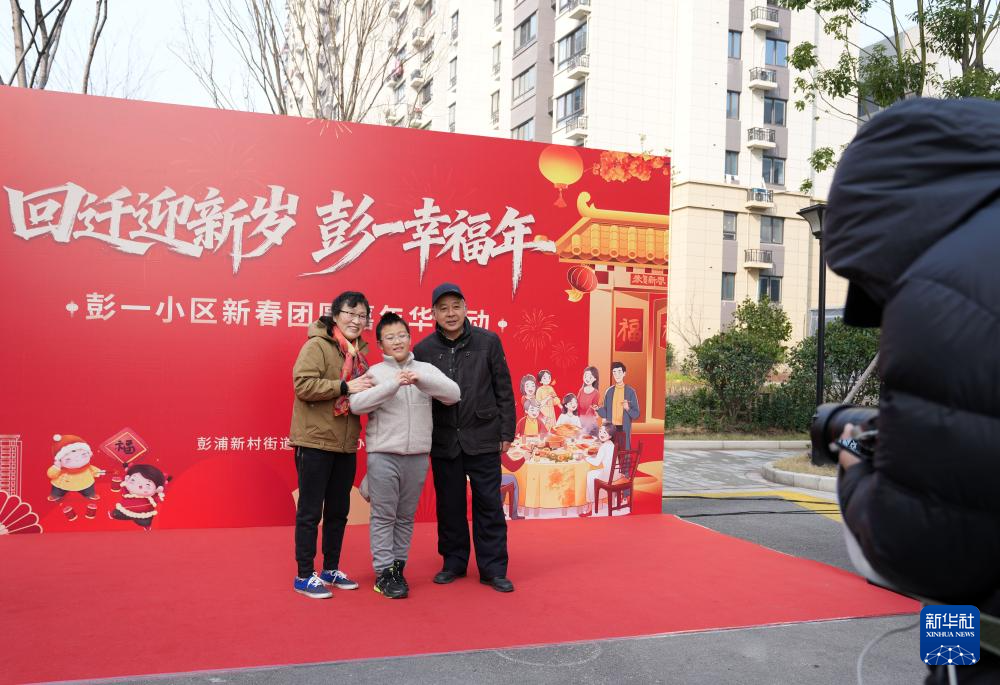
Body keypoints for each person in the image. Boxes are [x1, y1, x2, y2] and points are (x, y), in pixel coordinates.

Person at [823, 97, 1000, 684]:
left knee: (953, 629)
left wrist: (855, 473)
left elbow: (923, 553)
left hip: (986, 637)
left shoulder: (943, 291)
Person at [413, 282, 517, 593]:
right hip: (444, 439)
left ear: (466, 308)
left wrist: (506, 432)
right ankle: (454, 562)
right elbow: (419, 400)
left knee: (489, 504)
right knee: (450, 505)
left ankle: (493, 568)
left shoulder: (488, 342)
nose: (451, 313)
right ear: (433, 313)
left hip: (483, 435)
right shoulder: (423, 350)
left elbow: (503, 388)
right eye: (443, 308)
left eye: (456, 307)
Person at [348, 312, 460, 599]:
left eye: (401, 335)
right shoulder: (374, 373)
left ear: (410, 339)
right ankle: (384, 573)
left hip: (418, 455)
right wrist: (392, 385)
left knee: (405, 516)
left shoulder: (425, 369)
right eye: (390, 337)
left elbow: (453, 394)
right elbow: (356, 405)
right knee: (384, 516)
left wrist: (421, 380)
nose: (397, 341)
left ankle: (398, 568)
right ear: (380, 344)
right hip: (383, 454)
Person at [288, 291, 374, 599]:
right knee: (310, 512)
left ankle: (330, 569)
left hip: (346, 444)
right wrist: (344, 386)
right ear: (335, 315)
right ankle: (303, 575)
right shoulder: (317, 345)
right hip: (314, 441)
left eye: (362, 315)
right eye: (350, 313)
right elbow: (302, 385)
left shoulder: (358, 353)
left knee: (339, 512)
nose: (356, 320)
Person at [597, 361, 640, 450]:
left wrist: (627, 408)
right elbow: (605, 413)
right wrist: (598, 409)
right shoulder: (609, 391)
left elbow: (636, 414)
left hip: (623, 429)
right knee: (610, 453)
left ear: (624, 373)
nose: (617, 375)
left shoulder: (630, 392)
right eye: (614, 372)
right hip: (610, 429)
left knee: (623, 453)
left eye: (619, 372)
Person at [580, 422, 616, 517]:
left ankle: (590, 507)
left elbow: (596, 463)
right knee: (592, 474)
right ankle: (596, 503)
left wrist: (585, 458)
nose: (601, 434)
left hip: (608, 475)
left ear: (610, 435)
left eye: (605, 433)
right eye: (600, 431)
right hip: (615, 473)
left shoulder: (603, 447)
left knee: (590, 475)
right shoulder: (611, 444)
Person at [577, 366, 601, 436]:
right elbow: (577, 405)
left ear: (595, 379)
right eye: (585, 376)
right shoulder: (581, 390)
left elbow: (592, 409)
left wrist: (585, 425)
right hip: (580, 419)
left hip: (590, 421)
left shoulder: (596, 393)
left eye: (590, 377)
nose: (587, 379)